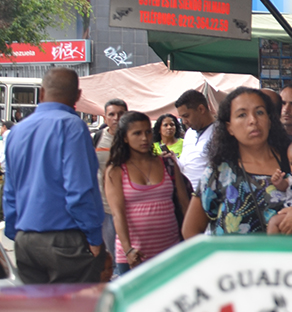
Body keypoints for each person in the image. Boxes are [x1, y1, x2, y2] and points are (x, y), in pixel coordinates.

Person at [181, 87, 292, 256]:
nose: (253, 120)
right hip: (240, 277)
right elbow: (190, 230)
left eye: (260, 112)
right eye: (242, 115)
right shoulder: (219, 172)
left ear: (270, 119)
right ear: (229, 127)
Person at [3, 68, 106, 283]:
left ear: (41, 93)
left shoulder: (17, 132)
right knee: (75, 311)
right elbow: (79, 190)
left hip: (26, 239)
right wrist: (94, 238)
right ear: (77, 96)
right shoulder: (73, 127)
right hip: (65, 240)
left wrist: (16, 233)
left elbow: (10, 192)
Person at [104, 111, 187, 276]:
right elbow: (117, 213)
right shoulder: (116, 170)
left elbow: (185, 205)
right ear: (125, 137)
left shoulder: (168, 164)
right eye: (137, 133)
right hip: (134, 256)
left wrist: (191, 241)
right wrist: (128, 250)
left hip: (170, 251)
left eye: (148, 132)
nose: (144, 138)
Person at [94, 98, 128, 262]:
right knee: (110, 256)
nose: (116, 118)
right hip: (104, 208)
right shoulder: (97, 138)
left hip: (129, 208)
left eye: (120, 114)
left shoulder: (133, 138)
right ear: (105, 117)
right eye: (111, 114)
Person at [175, 89, 216, 191]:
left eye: (186, 116)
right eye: (181, 118)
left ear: (201, 109)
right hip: (187, 193)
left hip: (209, 195)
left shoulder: (221, 132)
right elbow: (184, 164)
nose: (184, 122)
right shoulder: (189, 133)